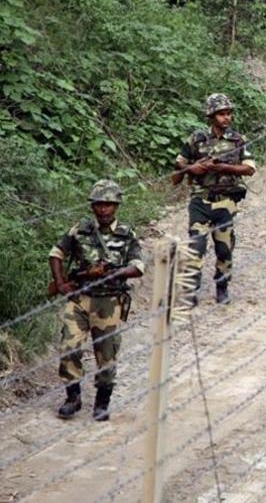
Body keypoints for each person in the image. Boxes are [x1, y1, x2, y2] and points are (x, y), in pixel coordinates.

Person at [49, 179, 144, 420]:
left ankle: (102, 402)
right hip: (80, 297)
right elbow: (56, 253)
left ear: (116, 206)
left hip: (109, 301)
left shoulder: (126, 233)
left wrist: (113, 272)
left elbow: (138, 265)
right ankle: (73, 398)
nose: (104, 209)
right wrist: (61, 283)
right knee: (69, 346)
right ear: (93, 207)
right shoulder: (80, 230)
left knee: (106, 352)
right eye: (99, 204)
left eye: (109, 204)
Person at [173, 93, 256, 306]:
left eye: (228, 113)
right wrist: (194, 168)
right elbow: (178, 165)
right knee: (196, 246)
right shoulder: (197, 139)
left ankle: (222, 287)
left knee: (224, 248)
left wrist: (223, 167)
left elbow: (249, 169)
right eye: (221, 114)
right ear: (211, 116)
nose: (226, 118)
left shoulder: (237, 140)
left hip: (226, 201)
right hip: (200, 200)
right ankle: (191, 291)